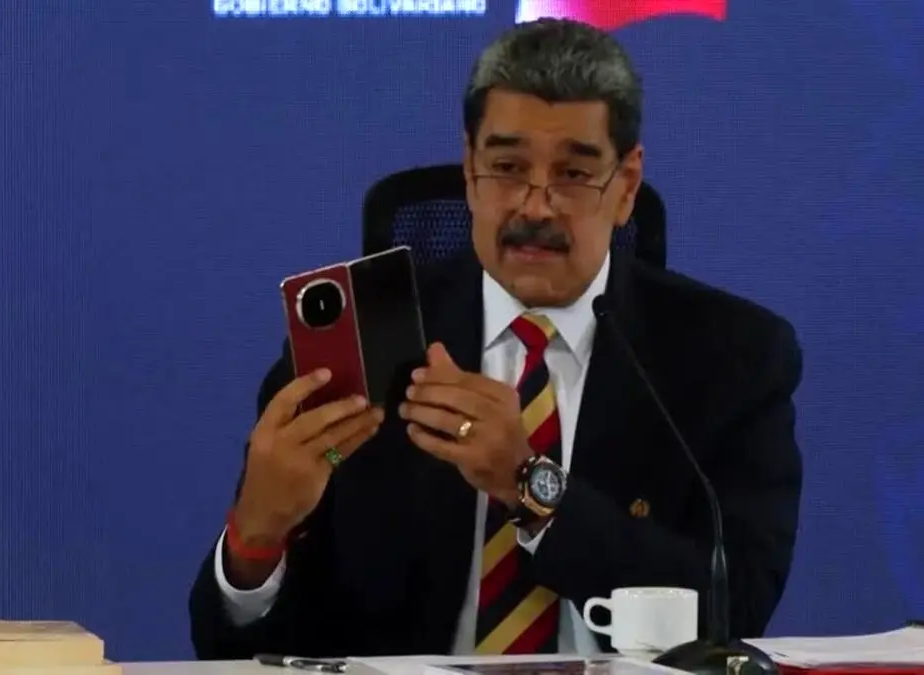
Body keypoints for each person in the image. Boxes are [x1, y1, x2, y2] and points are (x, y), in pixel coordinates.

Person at [188, 17, 803, 660]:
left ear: (625, 187)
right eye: (507, 168)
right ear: (470, 171)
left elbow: (736, 609)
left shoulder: (732, 356)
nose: (535, 207)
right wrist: (256, 537)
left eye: (573, 174)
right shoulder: (361, 345)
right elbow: (234, 653)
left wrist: (528, 483)